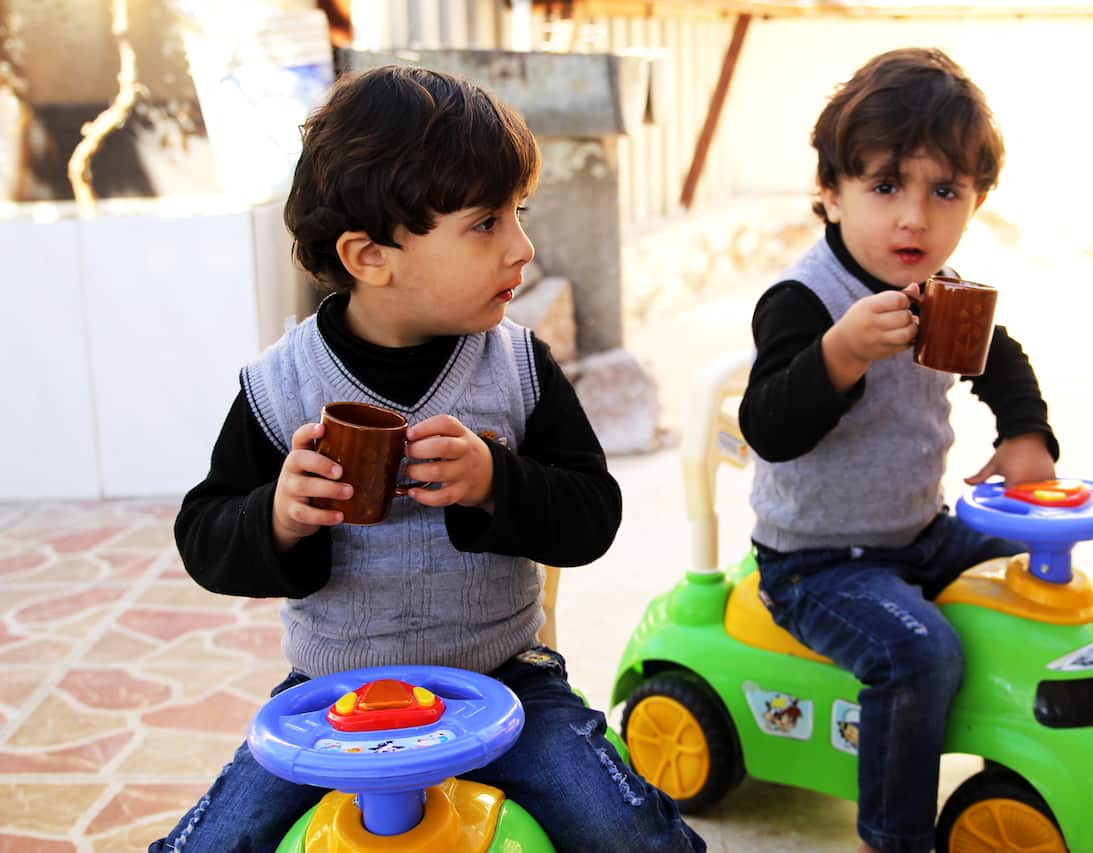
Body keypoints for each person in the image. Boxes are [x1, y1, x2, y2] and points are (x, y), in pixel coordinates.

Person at [150, 65, 705, 853]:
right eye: (487, 223)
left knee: (629, 833)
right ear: (371, 255)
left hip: (506, 684)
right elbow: (203, 535)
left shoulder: (515, 368)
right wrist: (277, 517)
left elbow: (592, 515)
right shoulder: (283, 385)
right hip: (331, 701)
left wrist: (494, 482)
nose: (523, 245)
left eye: (519, 212)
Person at [738, 47, 1058, 853]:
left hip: (920, 533)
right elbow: (768, 426)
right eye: (886, 186)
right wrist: (840, 353)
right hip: (815, 561)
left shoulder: (944, 291)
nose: (914, 218)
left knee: (1038, 569)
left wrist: (1023, 434)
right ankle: (895, 833)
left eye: (943, 191)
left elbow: (1003, 358)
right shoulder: (804, 298)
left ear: (975, 199)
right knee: (918, 653)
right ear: (831, 191)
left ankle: (1031, 755)